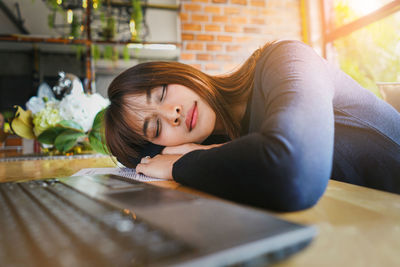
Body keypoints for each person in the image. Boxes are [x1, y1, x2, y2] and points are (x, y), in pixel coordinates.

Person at [104, 40, 400, 212]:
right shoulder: (234, 148)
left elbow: (293, 175)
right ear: (162, 147)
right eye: (155, 128)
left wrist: (179, 165)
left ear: (179, 74)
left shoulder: (285, 60)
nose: (173, 114)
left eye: (162, 94)